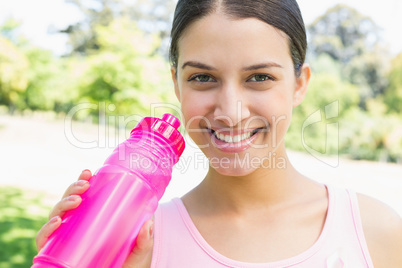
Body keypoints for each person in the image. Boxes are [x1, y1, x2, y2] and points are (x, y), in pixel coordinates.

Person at [36, 0, 402, 267]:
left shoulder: (377, 234)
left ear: (299, 84)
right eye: (202, 77)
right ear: (177, 85)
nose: (230, 111)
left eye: (260, 77)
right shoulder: (134, 246)